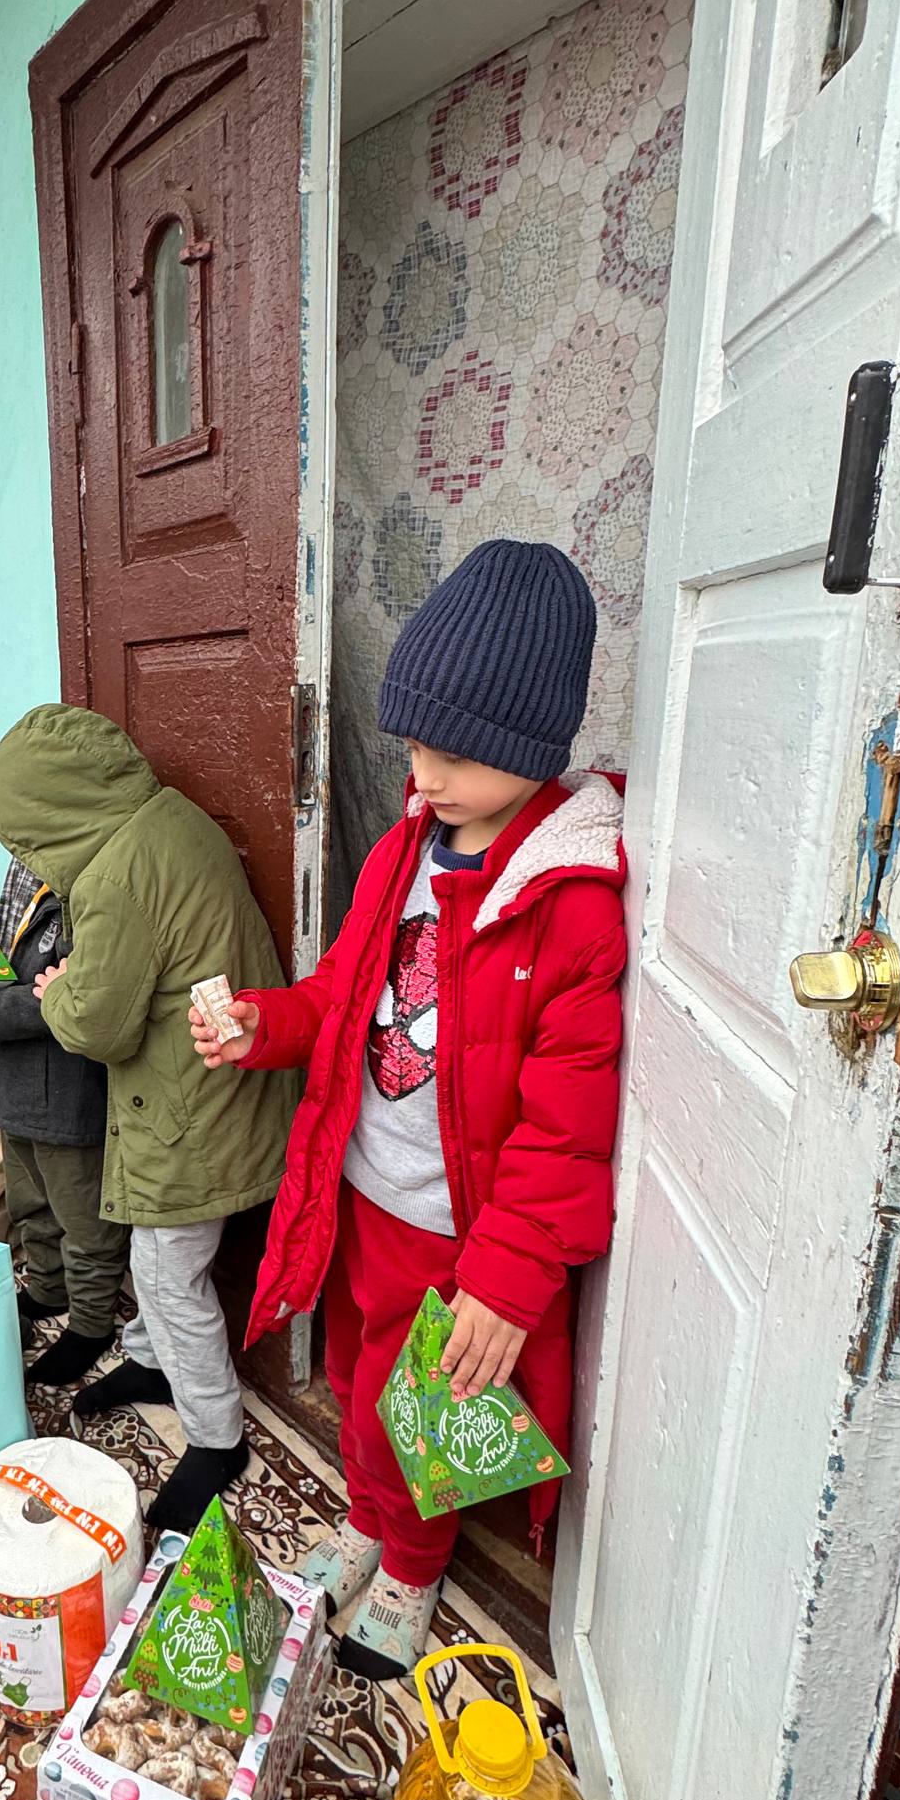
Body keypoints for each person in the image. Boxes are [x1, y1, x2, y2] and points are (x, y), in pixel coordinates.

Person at [190, 541, 627, 1678]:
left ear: (531, 751)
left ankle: (414, 1569)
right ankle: (369, 1525)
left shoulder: (569, 908)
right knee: (352, 1373)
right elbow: (342, 997)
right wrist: (262, 1026)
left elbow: (565, 1123)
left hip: (457, 1231)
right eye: (415, 742)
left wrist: (507, 1274)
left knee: (414, 1406)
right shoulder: (402, 850)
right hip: (360, 1188)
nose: (421, 771)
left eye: (452, 753)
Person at [0, 704, 298, 1534]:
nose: (31, 865)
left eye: (28, 844)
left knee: (165, 1271)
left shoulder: (115, 878)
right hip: (217, 1082)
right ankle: (156, 1365)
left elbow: (99, 1024)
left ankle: (215, 1436)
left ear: (58, 817)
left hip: (188, 1106)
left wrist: (57, 993)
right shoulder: (166, 818)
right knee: (163, 1254)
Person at [0, 862, 133, 1386]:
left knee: (83, 1220)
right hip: (12, 1082)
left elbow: (70, 994)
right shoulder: (27, 871)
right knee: (31, 1202)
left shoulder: (96, 884)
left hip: (66, 1089)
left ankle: (89, 1325)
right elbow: (26, 943)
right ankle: (46, 1288)